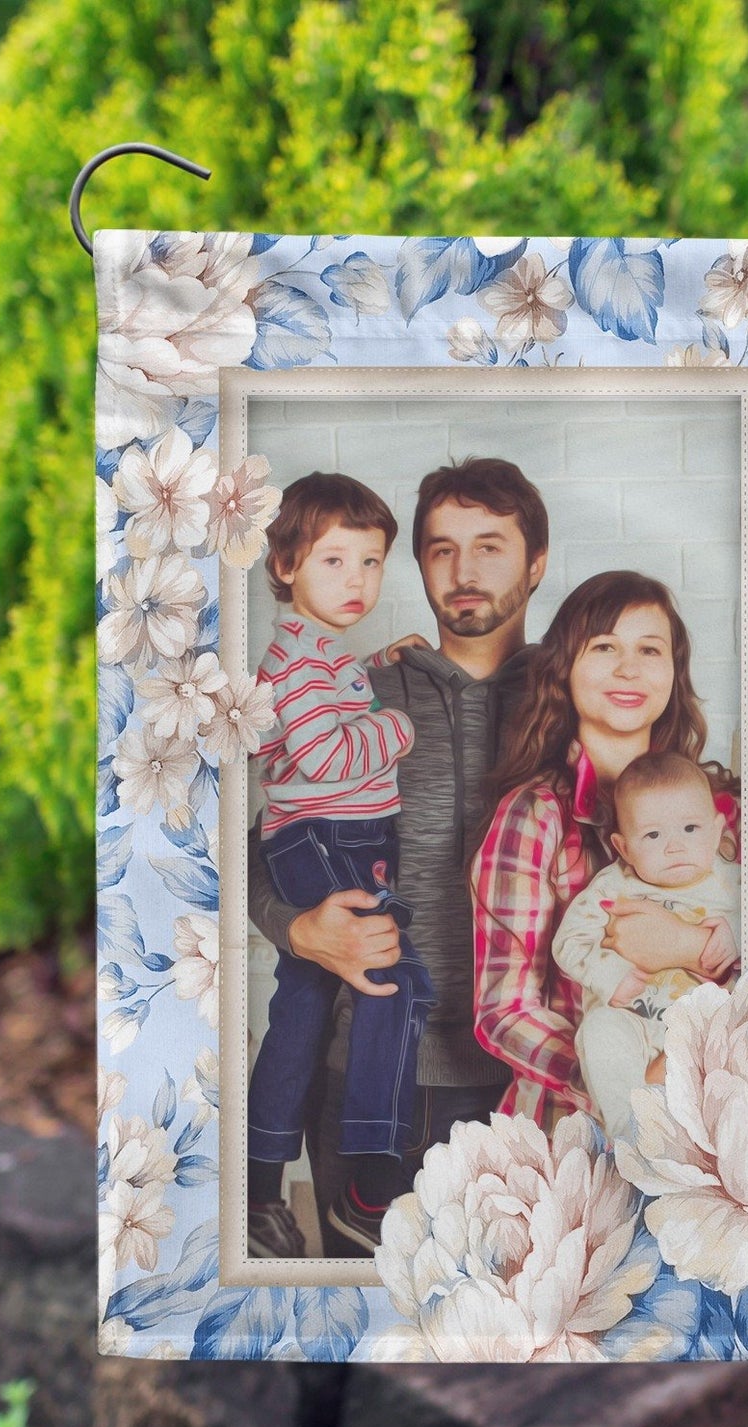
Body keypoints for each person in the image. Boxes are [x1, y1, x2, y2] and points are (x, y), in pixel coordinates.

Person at [249, 457, 550, 1254]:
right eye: (442, 549)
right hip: (362, 1074)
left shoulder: (574, 695)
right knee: (355, 1316)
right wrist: (296, 929)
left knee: (517, 1317)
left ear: (536, 563)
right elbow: (260, 845)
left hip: (529, 1082)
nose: (463, 569)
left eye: (490, 546)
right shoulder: (362, 690)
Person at [471, 570, 740, 1131]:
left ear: (673, 673)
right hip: (569, 1124)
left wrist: (690, 946)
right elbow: (505, 1011)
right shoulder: (535, 815)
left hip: (709, 1109)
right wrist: (629, 1082)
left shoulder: (725, 811)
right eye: (604, 648)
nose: (629, 668)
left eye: (650, 649)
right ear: (565, 668)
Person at [246, 472, 433, 1259]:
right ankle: (368, 1187)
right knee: (396, 982)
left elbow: (307, 718)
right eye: (333, 560)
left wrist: (375, 665)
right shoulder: (300, 661)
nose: (356, 579)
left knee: (303, 1005)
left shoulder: (315, 652)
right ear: (285, 565)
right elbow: (324, 754)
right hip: (329, 840)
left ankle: (259, 1185)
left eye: (370, 561)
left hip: (327, 837)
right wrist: (397, 727)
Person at [553, 751, 743, 1137]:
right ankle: (628, 1133)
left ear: (716, 830)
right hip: (634, 1024)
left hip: (705, 1028)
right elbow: (568, 941)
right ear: (624, 848)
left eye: (690, 828)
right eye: (653, 835)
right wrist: (611, 975)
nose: (674, 846)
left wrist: (733, 935)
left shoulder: (734, 884)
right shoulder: (613, 887)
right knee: (600, 1031)